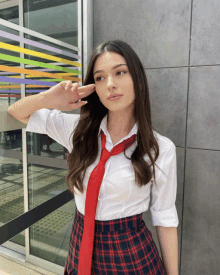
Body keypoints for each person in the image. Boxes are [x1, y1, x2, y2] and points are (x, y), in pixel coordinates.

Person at [7, 39, 179, 275]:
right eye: (99, 78)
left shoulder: (160, 148)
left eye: (120, 72)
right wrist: (48, 98)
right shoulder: (78, 130)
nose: (110, 84)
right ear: (94, 88)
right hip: (80, 245)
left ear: (137, 79)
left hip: (130, 255)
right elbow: (16, 112)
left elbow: (165, 218)